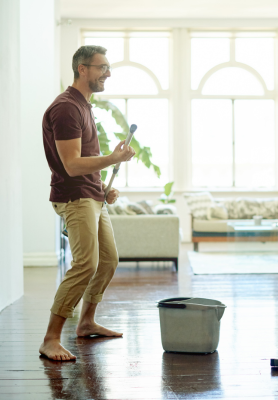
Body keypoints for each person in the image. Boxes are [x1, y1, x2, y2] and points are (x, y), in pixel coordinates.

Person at [40, 45, 135, 361]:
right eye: (102, 67)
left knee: (107, 260)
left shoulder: (84, 106)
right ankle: (51, 338)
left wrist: (102, 188)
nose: (108, 73)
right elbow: (71, 165)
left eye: (108, 67)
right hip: (74, 197)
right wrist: (113, 158)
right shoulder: (67, 108)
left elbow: (85, 163)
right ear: (82, 69)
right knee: (86, 264)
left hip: (91, 194)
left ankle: (86, 321)